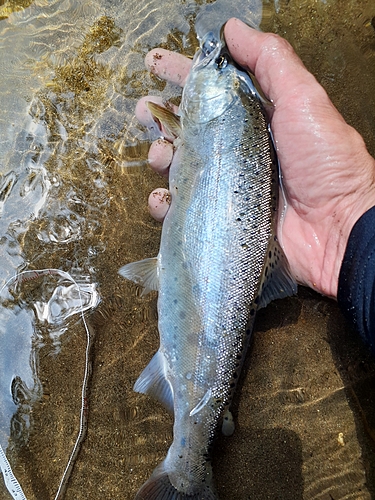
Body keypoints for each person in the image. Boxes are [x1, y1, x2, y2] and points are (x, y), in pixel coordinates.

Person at [136, 18, 375, 351]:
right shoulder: (236, 109)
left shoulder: (232, 111)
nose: (210, 54)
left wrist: (352, 215)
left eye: (215, 59)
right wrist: (352, 220)